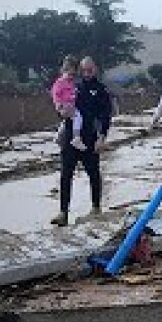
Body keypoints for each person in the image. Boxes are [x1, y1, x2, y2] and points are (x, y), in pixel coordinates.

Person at [51, 57, 112, 227]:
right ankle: (63, 212)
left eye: (89, 70)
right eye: (83, 70)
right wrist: (60, 111)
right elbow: (60, 102)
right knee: (66, 174)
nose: (86, 73)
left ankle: (96, 207)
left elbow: (105, 116)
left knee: (94, 173)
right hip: (70, 136)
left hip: (90, 138)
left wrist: (102, 137)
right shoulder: (73, 85)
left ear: (95, 69)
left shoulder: (101, 90)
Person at [50, 55, 86, 151]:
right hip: (65, 105)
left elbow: (73, 93)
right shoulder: (60, 82)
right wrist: (59, 105)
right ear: (64, 70)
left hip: (71, 105)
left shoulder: (72, 82)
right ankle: (76, 137)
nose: (71, 76)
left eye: (73, 74)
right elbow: (55, 94)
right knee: (78, 117)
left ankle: (59, 136)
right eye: (69, 73)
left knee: (69, 120)